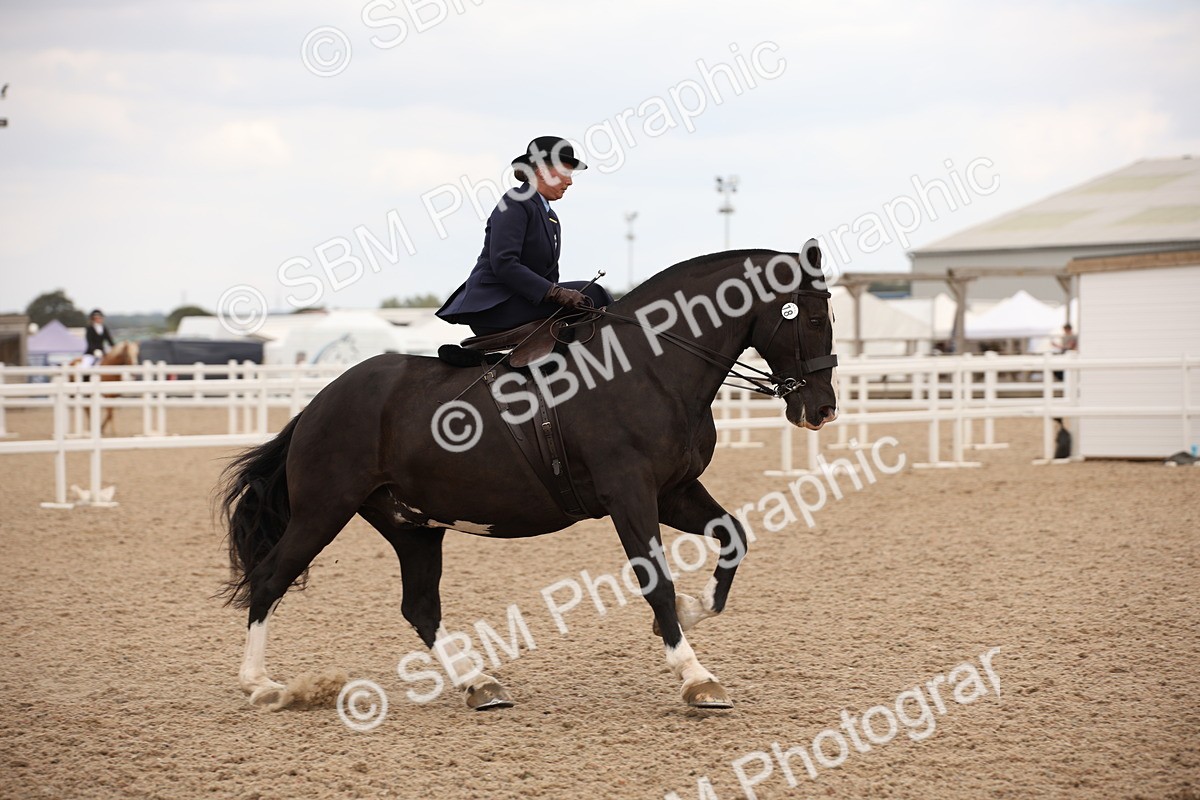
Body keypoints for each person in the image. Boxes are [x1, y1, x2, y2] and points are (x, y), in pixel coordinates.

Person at [436, 136, 613, 337]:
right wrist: (556, 293)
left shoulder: (550, 217)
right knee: (594, 293)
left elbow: (549, 276)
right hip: (495, 306)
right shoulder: (515, 202)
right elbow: (504, 263)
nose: (570, 181)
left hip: (525, 302)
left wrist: (558, 293)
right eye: (565, 173)